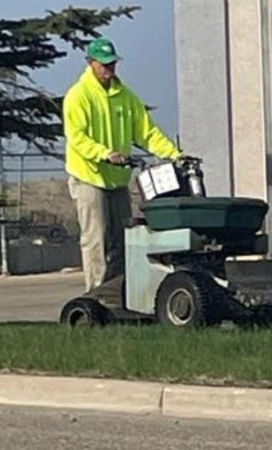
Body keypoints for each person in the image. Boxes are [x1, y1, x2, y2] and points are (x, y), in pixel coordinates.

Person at [62, 37, 182, 292]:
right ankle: (95, 294)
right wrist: (104, 153)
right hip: (89, 177)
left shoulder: (126, 96)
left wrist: (174, 154)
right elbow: (77, 137)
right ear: (90, 63)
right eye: (103, 64)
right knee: (96, 239)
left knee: (122, 239)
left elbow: (147, 132)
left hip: (117, 179)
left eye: (112, 63)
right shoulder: (78, 96)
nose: (109, 69)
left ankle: (117, 292)